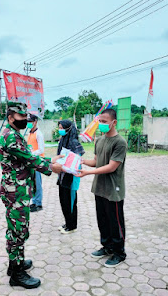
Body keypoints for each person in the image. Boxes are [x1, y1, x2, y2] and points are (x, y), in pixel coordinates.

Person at [0, 102, 62, 289]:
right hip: (15, 192)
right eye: (21, 117)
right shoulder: (11, 137)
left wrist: (51, 159)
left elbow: (26, 156)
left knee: (15, 229)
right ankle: (17, 275)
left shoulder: (14, 134)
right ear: (11, 118)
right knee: (18, 230)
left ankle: (15, 264)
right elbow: (30, 159)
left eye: (26, 117)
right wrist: (52, 167)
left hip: (16, 190)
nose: (25, 120)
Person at [76, 108, 127, 267]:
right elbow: (97, 161)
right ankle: (107, 247)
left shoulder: (120, 142)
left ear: (114, 122)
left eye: (104, 122)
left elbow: (111, 167)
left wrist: (88, 173)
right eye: (99, 121)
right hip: (100, 187)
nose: (101, 124)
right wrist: (83, 162)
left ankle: (119, 252)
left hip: (113, 190)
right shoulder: (99, 140)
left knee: (115, 222)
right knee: (102, 220)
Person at [57, 120, 84, 234]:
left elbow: (78, 159)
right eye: (59, 127)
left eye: (62, 128)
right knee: (63, 200)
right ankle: (67, 222)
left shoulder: (73, 142)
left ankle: (72, 225)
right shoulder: (62, 140)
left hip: (71, 176)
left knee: (71, 201)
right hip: (62, 175)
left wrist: (68, 167)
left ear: (68, 129)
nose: (60, 130)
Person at [26, 114, 45, 212]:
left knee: (37, 182)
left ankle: (38, 203)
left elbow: (41, 149)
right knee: (32, 182)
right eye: (27, 121)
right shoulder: (30, 133)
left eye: (30, 121)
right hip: (31, 161)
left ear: (35, 122)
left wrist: (31, 154)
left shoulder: (39, 134)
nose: (29, 123)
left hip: (37, 161)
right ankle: (34, 201)